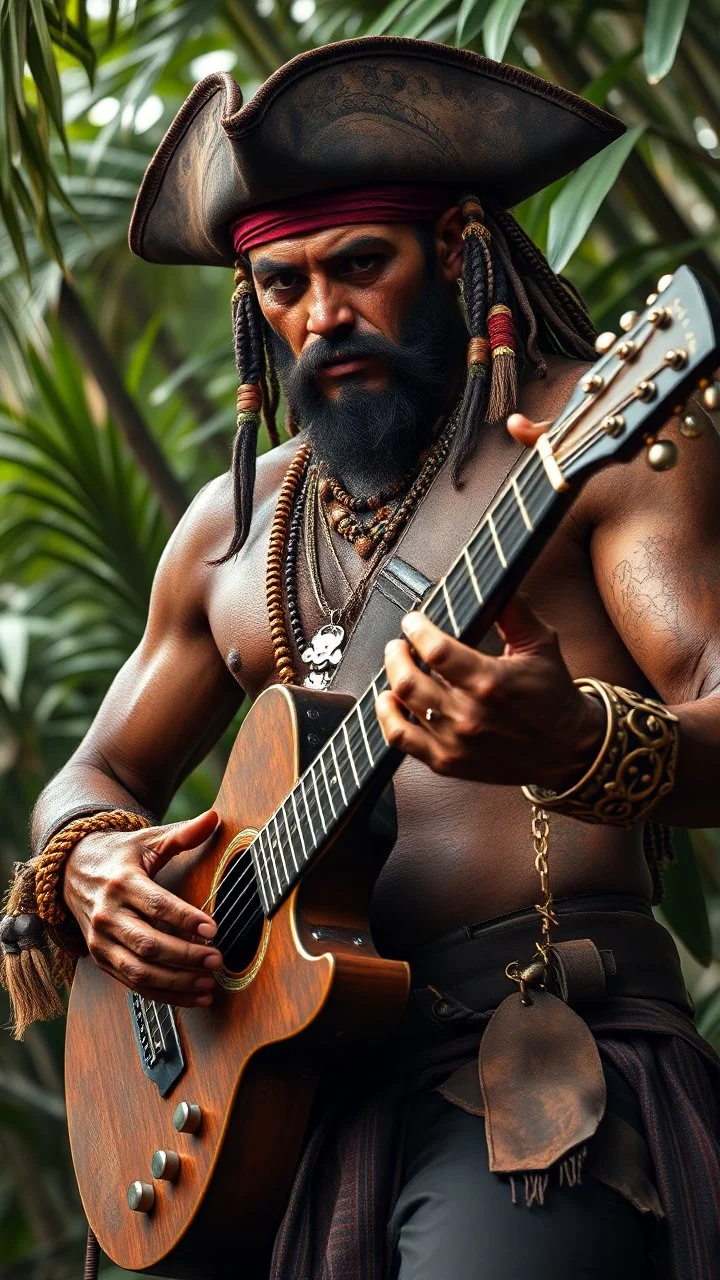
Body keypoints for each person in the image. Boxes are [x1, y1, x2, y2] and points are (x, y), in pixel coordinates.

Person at [2, 36, 720, 1280]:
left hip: (529, 1058)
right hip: (283, 1107)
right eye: (283, 286)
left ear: (456, 251)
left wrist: (582, 739)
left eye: (359, 266)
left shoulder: (599, 442)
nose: (321, 316)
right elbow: (96, 768)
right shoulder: (230, 535)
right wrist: (88, 866)